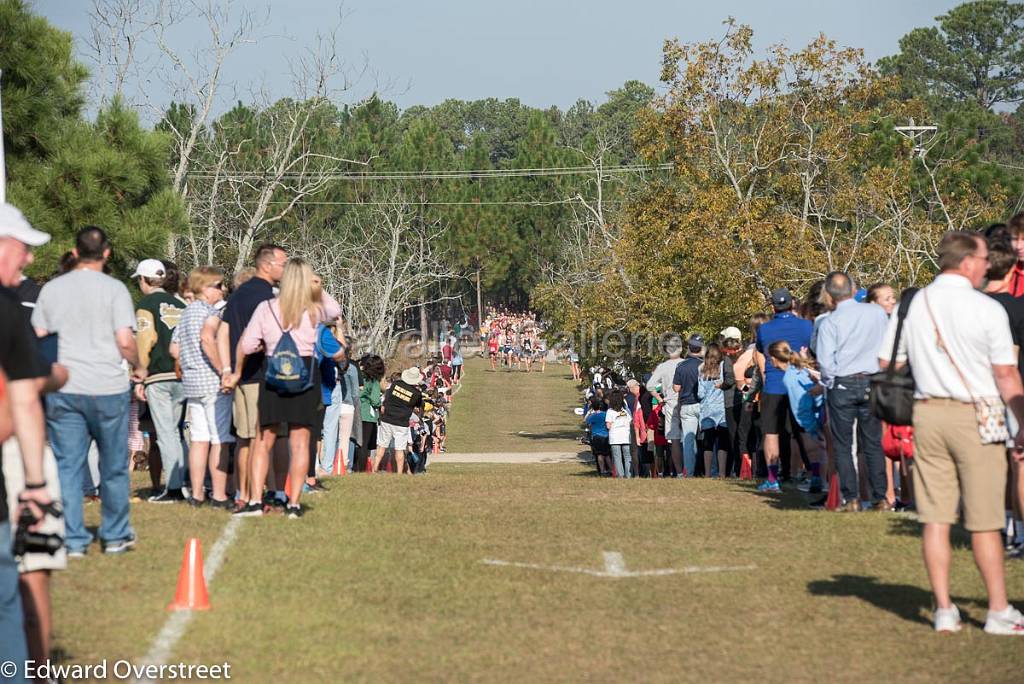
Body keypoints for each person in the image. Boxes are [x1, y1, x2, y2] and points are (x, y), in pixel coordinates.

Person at [879, 231, 1024, 634]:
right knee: (984, 519)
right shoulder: (985, 308)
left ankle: (944, 609)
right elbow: (1006, 374)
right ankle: (997, 609)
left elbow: (886, 359)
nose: (986, 265)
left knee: (936, 518)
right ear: (967, 263)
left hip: (927, 414)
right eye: (981, 258)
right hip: (977, 414)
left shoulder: (913, 305)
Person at [32, 226, 143, 556]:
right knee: (113, 466)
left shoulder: (52, 289)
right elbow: (125, 340)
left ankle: (74, 539)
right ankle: (114, 535)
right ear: (106, 253)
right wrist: (138, 366)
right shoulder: (115, 289)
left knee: (68, 465)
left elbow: (38, 335)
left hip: (65, 387)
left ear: (75, 252)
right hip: (108, 387)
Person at [0, 204, 62, 682]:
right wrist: (37, 485)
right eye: (21, 249)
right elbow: (21, 396)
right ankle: (35, 668)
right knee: (25, 572)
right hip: (13, 455)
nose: (27, 262)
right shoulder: (12, 307)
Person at [232, 258, 340, 518]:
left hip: (274, 374)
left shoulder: (266, 308)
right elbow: (335, 310)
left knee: (262, 441)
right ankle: (293, 504)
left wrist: (236, 370)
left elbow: (246, 345)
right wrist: (318, 286)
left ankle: (256, 501)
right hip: (306, 375)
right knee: (301, 443)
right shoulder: (313, 310)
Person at [815, 271, 891, 511]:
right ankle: (880, 496)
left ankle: (852, 498)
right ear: (853, 287)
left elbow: (825, 362)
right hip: (872, 379)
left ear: (829, 294)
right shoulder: (876, 313)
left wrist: (830, 382)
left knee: (843, 444)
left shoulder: (830, 322)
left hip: (843, 382)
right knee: (873, 442)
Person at [219, 244, 286, 510]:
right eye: (282, 262)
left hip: (242, 377)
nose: (285, 267)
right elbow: (260, 340)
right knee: (269, 438)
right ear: (266, 265)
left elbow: (224, 333)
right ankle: (269, 493)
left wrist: (228, 369)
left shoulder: (237, 294)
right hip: (264, 375)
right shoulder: (268, 297)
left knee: (245, 439)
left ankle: (243, 495)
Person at [172, 267, 234, 508]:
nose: (223, 290)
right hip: (211, 381)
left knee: (198, 439)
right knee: (219, 439)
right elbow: (208, 339)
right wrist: (223, 370)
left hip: (192, 382)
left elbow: (174, 348)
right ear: (205, 288)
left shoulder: (186, 313)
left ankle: (197, 493)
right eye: (219, 286)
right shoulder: (209, 313)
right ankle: (218, 494)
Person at [132, 258, 187, 503]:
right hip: (181, 374)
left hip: (158, 375)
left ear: (144, 280)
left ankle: (174, 488)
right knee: (175, 433)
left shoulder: (147, 305)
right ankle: (184, 483)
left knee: (165, 434)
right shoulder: (181, 303)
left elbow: (145, 340)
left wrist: (139, 375)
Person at [983, 233, 1024, 553]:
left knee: (991, 464)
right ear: (1012, 271)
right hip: (1006, 391)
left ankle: (997, 523)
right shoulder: (1014, 307)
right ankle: (1016, 530)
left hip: (976, 393)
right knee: (1016, 463)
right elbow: (1009, 361)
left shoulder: (973, 305)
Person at [755, 288, 813, 492]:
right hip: (799, 385)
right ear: (792, 305)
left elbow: (763, 349)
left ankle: (773, 478)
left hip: (774, 385)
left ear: (773, 307)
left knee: (771, 432)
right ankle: (814, 474)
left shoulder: (764, 329)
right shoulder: (807, 326)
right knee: (803, 431)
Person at [375, 367, 424, 474]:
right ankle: (399, 473)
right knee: (400, 448)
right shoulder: (416, 393)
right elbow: (418, 406)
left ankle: (374, 468)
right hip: (401, 422)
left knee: (382, 445)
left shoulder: (395, 384)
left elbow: (387, 397)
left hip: (387, 418)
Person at [646, 338, 685, 476]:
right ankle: (689, 469)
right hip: (687, 401)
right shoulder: (685, 363)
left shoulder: (663, 367)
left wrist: (659, 399)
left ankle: (679, 472)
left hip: (670, 403)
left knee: (673, 439)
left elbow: (650, 385)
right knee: (689, 436)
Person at [672, 334, 705, 477]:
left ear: (689, 348)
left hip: (687, 405)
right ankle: (710, 470)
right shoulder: (704, 365)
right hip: (703, 404)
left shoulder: (681, 366)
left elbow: (676, 388)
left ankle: (690, 472)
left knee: (688, 441)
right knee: (709, 439)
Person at [697, 343, 731, 478]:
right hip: (722, 409)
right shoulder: (723, 367)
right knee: (723, 442)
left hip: (707, 410)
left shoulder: (702, 369)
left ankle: (707, 473)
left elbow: (700, 393)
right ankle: (722, 473)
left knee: (708, 443)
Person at [355, 355, 384, 472]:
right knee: (364, 444)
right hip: (368, 414)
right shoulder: (374, 381)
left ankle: (352, 466)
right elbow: (376, 400)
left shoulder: (360, 377)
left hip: (356, 410)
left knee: (356, 442)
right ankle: (360, 470)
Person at [605, 390, 632, 478]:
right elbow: (631, 421)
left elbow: (608, 425)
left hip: (615, 437)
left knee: (617, 457)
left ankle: (621, 475)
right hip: (626, 436)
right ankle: (628, 475)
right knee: (627, 456)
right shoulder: (626, 410)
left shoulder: (610, 411)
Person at [585, 397, 610, 476]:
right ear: (600, 406)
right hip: (605, 435)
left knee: (599, 454)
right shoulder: (605, 414)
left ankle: (602, 470)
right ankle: (611, 469)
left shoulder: (592, 416)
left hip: (596, 436)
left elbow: (588, 423)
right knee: (607, 454)